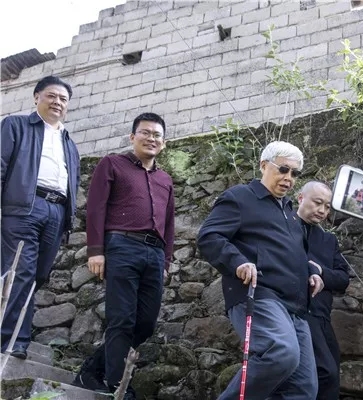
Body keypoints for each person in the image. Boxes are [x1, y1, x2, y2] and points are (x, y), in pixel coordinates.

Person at [196, 141, 324, 400]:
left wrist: (310, 271)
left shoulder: (290, 213)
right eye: (283, 169)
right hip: (259, 294)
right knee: (281, 352)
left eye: (295, 173)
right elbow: (209, 237)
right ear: (264, 165)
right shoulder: (240, 197)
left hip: (296, 306)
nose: (289, 178)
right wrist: (237, 262)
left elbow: (292, 252)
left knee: (303, 389)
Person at [72, 113, 175, 400]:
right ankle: (117, 386)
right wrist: (96, 251)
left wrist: (166, 261)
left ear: (163, 142)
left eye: (157, 135)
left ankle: (92, 369)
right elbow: (96, 208)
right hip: (121, 246)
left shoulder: (165, 179)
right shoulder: (112, 164)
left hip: (155, 253)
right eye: (145, 133)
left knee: (146, 323)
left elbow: (169, 223)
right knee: (122, 318)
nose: (151, 138)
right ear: (132, 137)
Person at [1, 76, 80, 359]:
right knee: (20, 271)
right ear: (37, 97)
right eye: (51, 96)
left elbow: (73, 182)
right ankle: (13, 341)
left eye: (63, 99)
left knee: (37, 275)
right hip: (24, 206)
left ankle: (12, 332)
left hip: (56, 212)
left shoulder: (70, 143)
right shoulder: (15, 125)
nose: (57, 102)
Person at [297, 181, 350, 400]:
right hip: (298, 312)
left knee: (332, 375)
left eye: (327, 207)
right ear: (300, 198)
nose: (322, 210)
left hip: (322, 315)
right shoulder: (285, 228)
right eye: (317, 203)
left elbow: (343, 279)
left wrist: (321, 272)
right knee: (324, 372)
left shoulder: (329, 240)